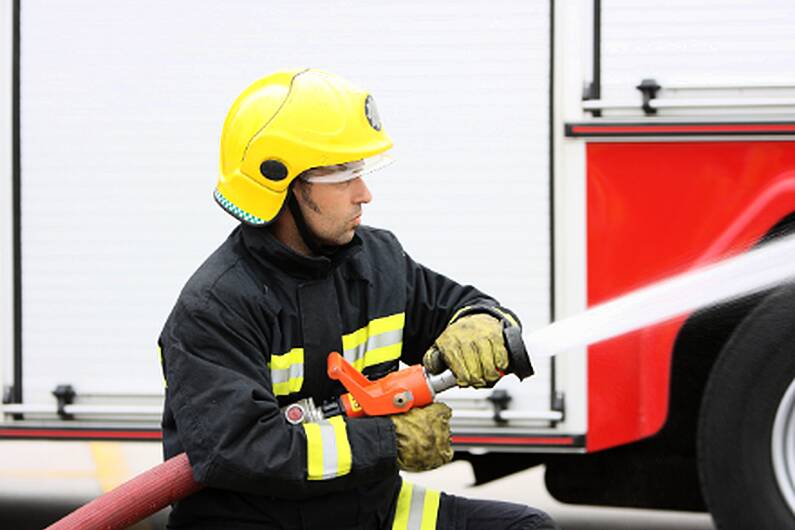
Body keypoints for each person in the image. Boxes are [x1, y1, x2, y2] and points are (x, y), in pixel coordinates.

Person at [158, 69, 558, 530]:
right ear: (280, 181)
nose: (364, 194)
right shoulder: (216, 306)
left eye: (361, 172)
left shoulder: (378, 262)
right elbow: (237, 451)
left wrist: (484, 323)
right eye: (342, 174)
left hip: (371, 512)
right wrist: (387, 442)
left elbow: (460, 306)